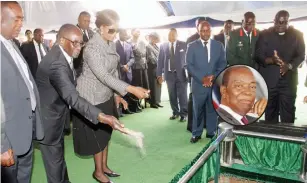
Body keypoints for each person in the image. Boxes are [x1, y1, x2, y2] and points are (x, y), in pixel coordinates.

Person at [36, 24, 126, 183]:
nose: (79, 47)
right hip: (48, 122)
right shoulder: (56, 62)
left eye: (81, 43)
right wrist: (103, 117)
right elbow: (72, 97)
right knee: (55, 169)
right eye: (74, 42)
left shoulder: (62, 53)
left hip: (55, 117)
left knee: (59, 163)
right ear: (62, 40)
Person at [73, 9, 150, 183]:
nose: (115, 34)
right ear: (101, 28)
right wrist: (131, 89)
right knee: (98, 138)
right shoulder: (92, 48)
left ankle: (104, 167)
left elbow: (113, 71)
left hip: (106, 94)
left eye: (116, 30)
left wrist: (117, 94)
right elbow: (104, 76)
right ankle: (98, 172)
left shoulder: (110, 43)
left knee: (106, 134)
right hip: (91, 97)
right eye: (111, 30)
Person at [1, 2, 44, 183]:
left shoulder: (13, 44)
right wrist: (1, 145)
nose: (20, 24)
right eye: (16, 20)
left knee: (24, 176)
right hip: (8, 138)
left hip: (24, 130)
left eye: (22, 19)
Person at [256, 10, 305, 124]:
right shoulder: (265, 34)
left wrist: (289, 65)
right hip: (270, 81)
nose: (280, 25)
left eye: (283, 22)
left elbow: (301, 56)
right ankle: (272, 140)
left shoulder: (297, 35)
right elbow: (258, 56)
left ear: (288, 22)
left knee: (288, 114)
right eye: (278, 22)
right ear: (274, 21)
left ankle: (287, 141)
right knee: (270, 113)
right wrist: (271, 60)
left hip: (289, 82)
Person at [186, 21, 227, 143]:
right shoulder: (192, 46)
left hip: (214, 84)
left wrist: (213, 77)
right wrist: (202, 78)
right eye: (202, 30)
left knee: (212, 109)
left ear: (211, 31)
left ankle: (211, 132)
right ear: (198, 31)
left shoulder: (218, 45)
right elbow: (189, 65)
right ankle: (196, 133)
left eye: (207, 30)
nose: (205, 33)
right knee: (197, 110)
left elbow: (222, 63)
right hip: (198, 85)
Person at [157, 28, 188, 122]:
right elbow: (160, 61)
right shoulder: (163, 46)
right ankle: (175, 112)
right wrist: (159, 75)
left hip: (181, 74)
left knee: (182, 95)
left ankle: (184, 114)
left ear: (177, 35)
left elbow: (189, 59)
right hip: (169, 75)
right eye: (169, 35)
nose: (171, 36)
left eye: (173, 35)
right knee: (172, 95)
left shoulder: (184, 44)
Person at [186, 17, 207, 132]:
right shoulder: (190, 40)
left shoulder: (210, 38)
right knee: (194, 100)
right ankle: (192, 125)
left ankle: (203, 124)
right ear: (196, 26)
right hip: (195, 76)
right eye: (199, 24)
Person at [130, 28, 149, 110]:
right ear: (132, 32)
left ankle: (142, 102)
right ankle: (135, 103)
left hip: (142, 66)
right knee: (135, 85)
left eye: (139, 32)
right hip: (133, 67)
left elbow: (143, 53)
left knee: (143, 84)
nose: (138, 33)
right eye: (137, 31)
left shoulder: (142, 42)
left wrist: (135, 49)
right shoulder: (129, 42)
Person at [74, 11, 94, 78]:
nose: (87, 23)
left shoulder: (92, 33)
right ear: (79, 20)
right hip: (78, 71)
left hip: (91, 70)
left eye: (88, 21)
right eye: (84, 21)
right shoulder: (72, 32)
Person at [146, 32, 163, 108]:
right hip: (152, 67)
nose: (155, 40)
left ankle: (157, 101)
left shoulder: (156, 46)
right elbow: (151, 58)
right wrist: (159, 62)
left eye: (156, 38)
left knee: (158, 84)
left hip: (158, 67)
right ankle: (152, 102)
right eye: (154, 38)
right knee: (153, 85)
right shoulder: (148, 46)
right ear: (150, 38)